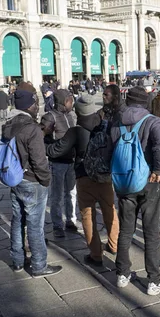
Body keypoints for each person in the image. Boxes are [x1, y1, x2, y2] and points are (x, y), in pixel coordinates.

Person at [110, 86, 160, 296]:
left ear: (127, 100)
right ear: (146, 102)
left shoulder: (117, 121)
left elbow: (109, 149)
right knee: (151, 232)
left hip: (124, 182)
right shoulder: (152, 121)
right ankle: (154, 280)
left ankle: (122, 273)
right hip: (148, 182)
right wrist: (159, 170)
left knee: (126, 229)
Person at [45, 96, 120, 266]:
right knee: (109, 210)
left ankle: (96, 254)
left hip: (85, 176)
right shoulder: (105, 125)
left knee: (87, 214)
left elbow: (56, 150)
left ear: (77, 111)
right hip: (105, 176)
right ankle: (114, 245)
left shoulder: (76, 131)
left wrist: (46, 138)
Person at [1, 82, 62, 278]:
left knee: (18, 220)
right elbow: (38, 160)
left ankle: (18, 261)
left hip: (16, 178)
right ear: (29, 105)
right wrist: (46, 179)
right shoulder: (31, 129)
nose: (38, 107)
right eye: (36, 104)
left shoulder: (9, 124)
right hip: (32, 181)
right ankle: (38, 265)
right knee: (35, 225)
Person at [41, 89, 78, 238]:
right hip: (57, 163)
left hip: (71, 161)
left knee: (71, 192)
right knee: (56, 196)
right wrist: (52, 151)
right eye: (70, 100)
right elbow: (41, 139)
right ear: (63, 102)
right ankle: (57, 224)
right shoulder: (50, 118)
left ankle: (70, 219)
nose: (72, 103)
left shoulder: (69, 116)